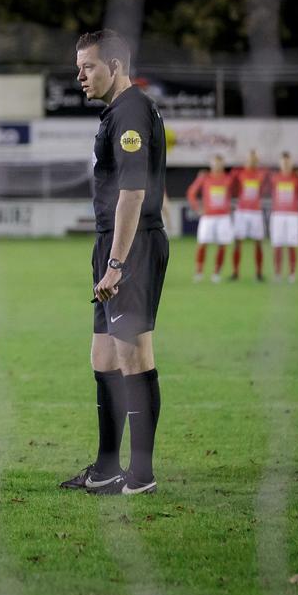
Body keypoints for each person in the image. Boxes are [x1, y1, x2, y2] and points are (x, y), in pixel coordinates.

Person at [61, 29, 168, 496]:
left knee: (133, 354)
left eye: (89, 66)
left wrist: (117, 264)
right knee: (103, 356)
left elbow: (133, 193)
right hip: (112, 244)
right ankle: (107, 467)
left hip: (132, 246)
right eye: (79, 67)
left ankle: (140, 475)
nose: (80, 75)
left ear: (116, 66)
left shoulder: (130, 111)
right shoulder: (116, 112)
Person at [186, 154, 234, 283]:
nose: (217, 165)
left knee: (222, 245)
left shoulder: (228, 178)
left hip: (223, 217)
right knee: (202, 244)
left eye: (220, 163)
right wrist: (198, 208)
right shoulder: (204, 177)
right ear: (211, 164)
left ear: (223, 164)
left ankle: (216, 273)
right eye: (215, 163)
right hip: (208, 217)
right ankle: (199, 272)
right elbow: (191, 192)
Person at [229, 149, 268, 281]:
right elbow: (230, 186)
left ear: (257, 161)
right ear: (246, 160)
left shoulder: (262, 174)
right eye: (250, 159)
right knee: (237, 242)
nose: (252, 161)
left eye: (254, 159)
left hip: (256, 212)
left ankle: (259, 273)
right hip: (242, 212)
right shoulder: (238, 173)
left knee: (258, 242)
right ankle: (235, 272)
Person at [268, 152, 298, 283]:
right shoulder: (274, 178)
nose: (286, 165)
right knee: (277, 244)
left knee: (292, 245)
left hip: (293, 215)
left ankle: (292, 274)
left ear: (292, 163)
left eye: (288, 162)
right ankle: (277, 273)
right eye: (284, 162)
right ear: (280, 163)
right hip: (278, 215)